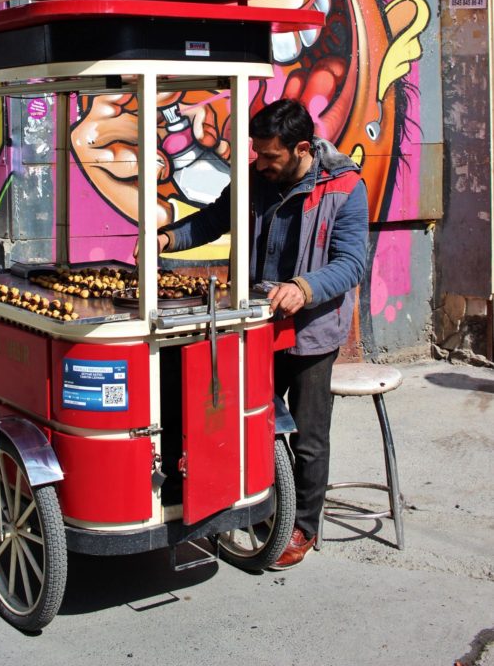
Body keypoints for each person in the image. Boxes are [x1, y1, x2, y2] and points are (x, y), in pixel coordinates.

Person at [153, 98, 369, 569]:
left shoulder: (346, 187)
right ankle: (247, 502)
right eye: (257, 153)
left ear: (302, 148)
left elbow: (352, 263)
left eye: (270, 155)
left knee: (309, 437)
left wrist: (304, 287)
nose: (260, 163)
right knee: (240, 419)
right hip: (253, 323)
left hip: (311, 329)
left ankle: (303, 527)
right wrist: (167, 237)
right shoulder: (256, 179)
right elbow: (214, 218)